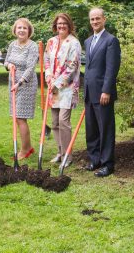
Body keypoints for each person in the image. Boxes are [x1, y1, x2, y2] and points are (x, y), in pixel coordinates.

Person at [83, 7, 121, 177]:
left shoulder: (111, 40)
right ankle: (95, 159)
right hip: (89, 93)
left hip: (103, 94)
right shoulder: (88, 41)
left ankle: (107, 164)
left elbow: (112, 69)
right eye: (92, 19)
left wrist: (106, 90)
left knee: (105, 129)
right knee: (91, 129)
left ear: (104, 19)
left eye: (98, 18)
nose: (95, 22)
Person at [44, 13, 81, 167]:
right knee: (54, 122)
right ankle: (59, 152)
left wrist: (57, 84)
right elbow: (46, 59)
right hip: (52, 86)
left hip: (67, 87)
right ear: (55, 25)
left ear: (69, 25)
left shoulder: (74, 43)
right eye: (59, 24)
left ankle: (68, 155)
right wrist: (48, 77)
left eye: (64, 24)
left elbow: (72, 66)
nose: (61, 26)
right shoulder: (51, 42)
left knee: (63, 121)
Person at [4, 18, 39, 159]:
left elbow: (31, 68)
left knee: (20, 118)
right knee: (16, 117)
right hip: (12, 83)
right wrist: (8, 66)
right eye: (19, 28)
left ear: (29, 31)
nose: (22, 30)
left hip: (26, 84)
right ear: (15, 30)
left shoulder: (32, 46)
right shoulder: (12, 44)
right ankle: (28, 147)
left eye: (24, 28)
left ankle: (25, 150)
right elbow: (6, 60)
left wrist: (19, 83)